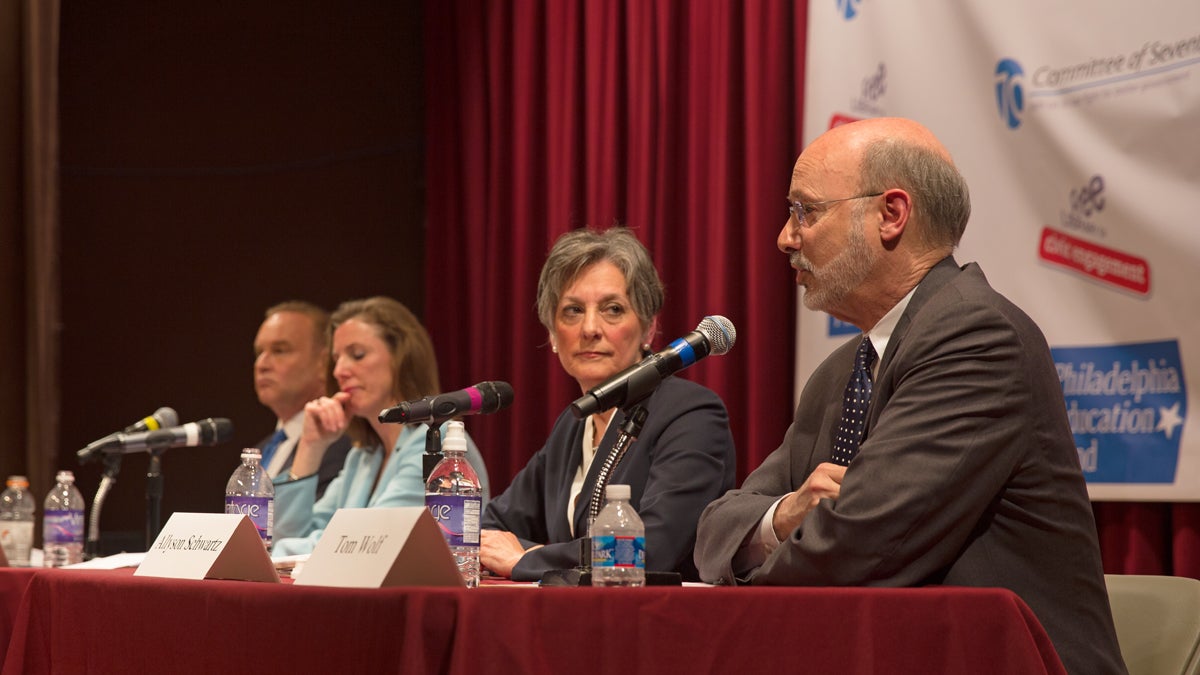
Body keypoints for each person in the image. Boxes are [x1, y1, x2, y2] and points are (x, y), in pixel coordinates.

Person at [693, 118, 1126, 675]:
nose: (785, 235)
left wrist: (766, 557)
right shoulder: (841, 372)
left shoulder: (976, 336)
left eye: (806, 211)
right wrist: (783, 518)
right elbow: (715, 530)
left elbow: (858, 546)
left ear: (891, 215)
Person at [480, 227, 736, 582]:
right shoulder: (572, 427)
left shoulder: (690, 413)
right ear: (552, 335)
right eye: (572, 310)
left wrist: (529, 557)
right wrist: (525, 553)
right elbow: (492, 528)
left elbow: (652, 546)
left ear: (648, 330)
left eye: (612, 309)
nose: (589, 328)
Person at [271, 296, 490, 556]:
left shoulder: (436, 441)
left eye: (357, 355)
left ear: (402, 359)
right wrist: (310, 447)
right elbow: (287, 536)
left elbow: (369, 545)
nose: (339, 370)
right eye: (336, 359)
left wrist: (276, 552)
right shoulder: (362, 457)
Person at [252, 301, 350, 500]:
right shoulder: (261, 450)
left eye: (279, 350)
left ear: (324, 363)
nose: (261, 364)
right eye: (258, 353)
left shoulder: (342, 447)